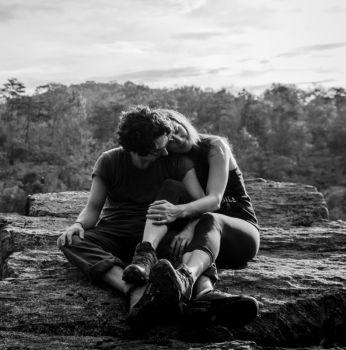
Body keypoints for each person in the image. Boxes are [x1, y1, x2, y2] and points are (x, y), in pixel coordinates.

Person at [57, 106, 207, 329]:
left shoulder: (176, 162)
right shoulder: (109, 161)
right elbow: (93, 208)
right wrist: (78, 224)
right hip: (116, 230)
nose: (166, 152)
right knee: (71, 241)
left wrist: (189, 229)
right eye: (158, 149)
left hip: (159, 233)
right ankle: (133, 288)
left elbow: (201, 204)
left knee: (194, 247)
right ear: (137, 150)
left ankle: (201, 296)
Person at [139, 109, 260, 328]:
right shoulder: (173, 160)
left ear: (182, 121)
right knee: (170, 190)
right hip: (204, 242)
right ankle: (200, 301)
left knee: (209, 220)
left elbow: (214, 201)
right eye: (170, 141)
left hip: (239, 231)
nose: (179, 140)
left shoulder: (215, 147)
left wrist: (185, 220)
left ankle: (185, 278)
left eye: (177, 130)